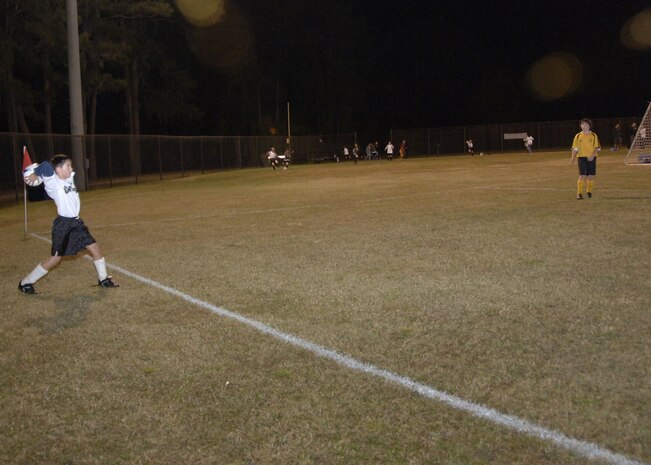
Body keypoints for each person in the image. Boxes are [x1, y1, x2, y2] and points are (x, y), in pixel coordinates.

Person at [19, 154, 118, 294]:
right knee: (55, 259)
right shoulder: (52, 183)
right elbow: (46, 166)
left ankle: (103, 280)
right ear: (58, 169)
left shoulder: (69, 177)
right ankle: (25, 282)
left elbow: (56, 168)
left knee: (95, 249)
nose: (71, 169)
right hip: (64, 225)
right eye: (68, 166)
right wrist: (35, 174)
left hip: (77, 223)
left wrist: (65, 168)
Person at [570, 118, 601, 200]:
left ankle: (589, 191)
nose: (584, 126)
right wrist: (573, 157)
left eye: (586, 125)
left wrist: (592, 156)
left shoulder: (594, 135)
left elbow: (596, 147)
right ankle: (579, 193)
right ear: (580, 126)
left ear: (589, 126)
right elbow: (574, 148)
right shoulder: (578, 136)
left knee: (591, 175)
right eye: (582, 124)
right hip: (581, 158)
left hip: (591, 158)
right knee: (582, 175)